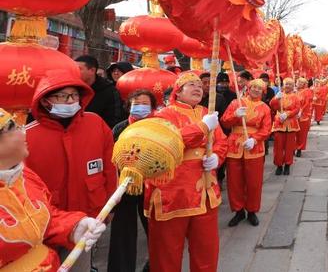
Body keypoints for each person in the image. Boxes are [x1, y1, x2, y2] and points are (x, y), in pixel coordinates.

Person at [25, 68, 117, 272]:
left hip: (87, 217)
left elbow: (110, 168)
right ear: (45, 100)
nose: (70, 101)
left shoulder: (95, 124)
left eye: (74, 95)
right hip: (44, 225)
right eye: (62, 96)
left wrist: (109, 206)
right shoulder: (26, 137)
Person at [0, 108, 105, 271]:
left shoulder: (26, 175)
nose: (24, 132)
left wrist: (75, 226)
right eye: (14, 127)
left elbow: (43, 217)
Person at [144, 72, 227, 272]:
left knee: (206, 251)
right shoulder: (164, 114)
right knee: (167, 254)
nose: (198, 87)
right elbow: (168, 143)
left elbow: (222, 141)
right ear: (178, 92)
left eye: (200, 85)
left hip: (205, 191)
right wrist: (202, 127)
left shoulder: (207, 112)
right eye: (191, 84)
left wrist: (217, 156)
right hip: (172, 193)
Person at [108, 90, 157, 272]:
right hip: (124, 185)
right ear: (128, 106)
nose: (140, 106)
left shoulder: (158, 127)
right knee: (122, 231)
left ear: (152, 107)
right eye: (136, 103)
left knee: (154, 228)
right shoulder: (119, 128)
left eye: (145, 103)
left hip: (152, 185)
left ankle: (155, 263)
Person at [220, 78, 272, 228]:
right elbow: (224, 122)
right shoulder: (236, 103)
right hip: (235, 145)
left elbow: (266, 129)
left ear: (262, 91)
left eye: (259, 88)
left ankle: (252, 210)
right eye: (253, 87)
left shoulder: (264, 108)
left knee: (254, 182)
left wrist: (255, 139)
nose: (256, 90)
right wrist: (235, 114)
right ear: (248, 87)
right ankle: (238, 210)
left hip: (254, 147)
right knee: (234, 181)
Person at [75, 55, 124, 128]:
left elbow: (114, 119)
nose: (75, 71)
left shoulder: (109, 91)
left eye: (79, 69)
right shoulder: (71, 87)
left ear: (92, 70)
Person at [269, 78, 301, 175]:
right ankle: (279, 165)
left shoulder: (295, 97)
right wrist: (275, 99)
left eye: (290, 84)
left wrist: (288, 114)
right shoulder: (279, 95)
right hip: (279, 123)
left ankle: (287, 165)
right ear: (283, 85)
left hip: (291, 124)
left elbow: (297, 109)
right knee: (278, 147)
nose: (287, 86)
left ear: (293, 86)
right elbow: (272, 106)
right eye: (286, 84)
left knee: (289, 147)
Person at [295, 77, 313, 157]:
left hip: (303, 115)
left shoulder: (307, 91)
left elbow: (306, 103)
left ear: (305, 84)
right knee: (293, 133)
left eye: (300, 82)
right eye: (298, 82)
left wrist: (301, 111)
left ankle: (299, 148)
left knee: (301, 133)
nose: (298, 83)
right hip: (293, 115)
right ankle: (292, 148)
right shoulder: (294, 91)